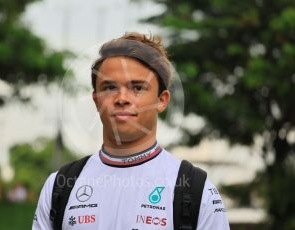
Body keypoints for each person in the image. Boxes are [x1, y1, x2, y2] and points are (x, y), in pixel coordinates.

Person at [32, 32, 230, 230]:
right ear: (96, 100)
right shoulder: (59, 187)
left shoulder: (197, 190)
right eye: (109, 87)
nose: (122, 98)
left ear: (162, 100)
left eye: (137, 87)